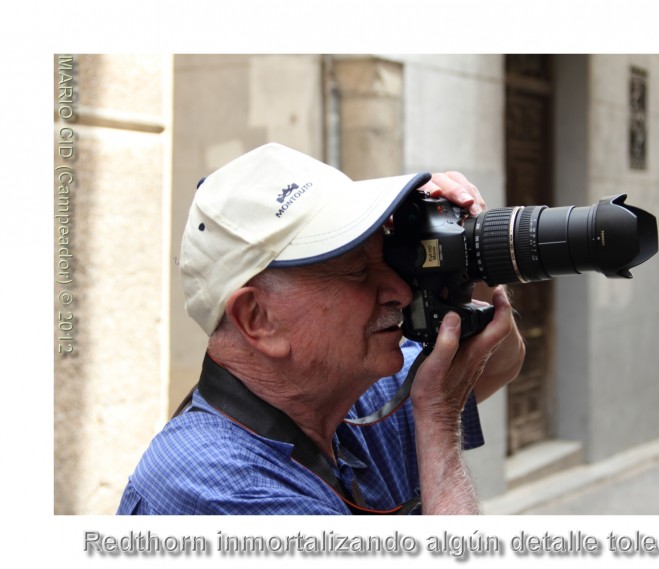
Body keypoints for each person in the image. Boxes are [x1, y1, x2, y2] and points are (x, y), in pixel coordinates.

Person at [117, 143, 525, 515]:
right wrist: (436, 420)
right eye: (357, 270)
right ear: (257, 318)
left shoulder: (340, 397)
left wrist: (465, 252)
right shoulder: (215, 487)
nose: (399, 290)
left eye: (385, 259)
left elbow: (495, 364)